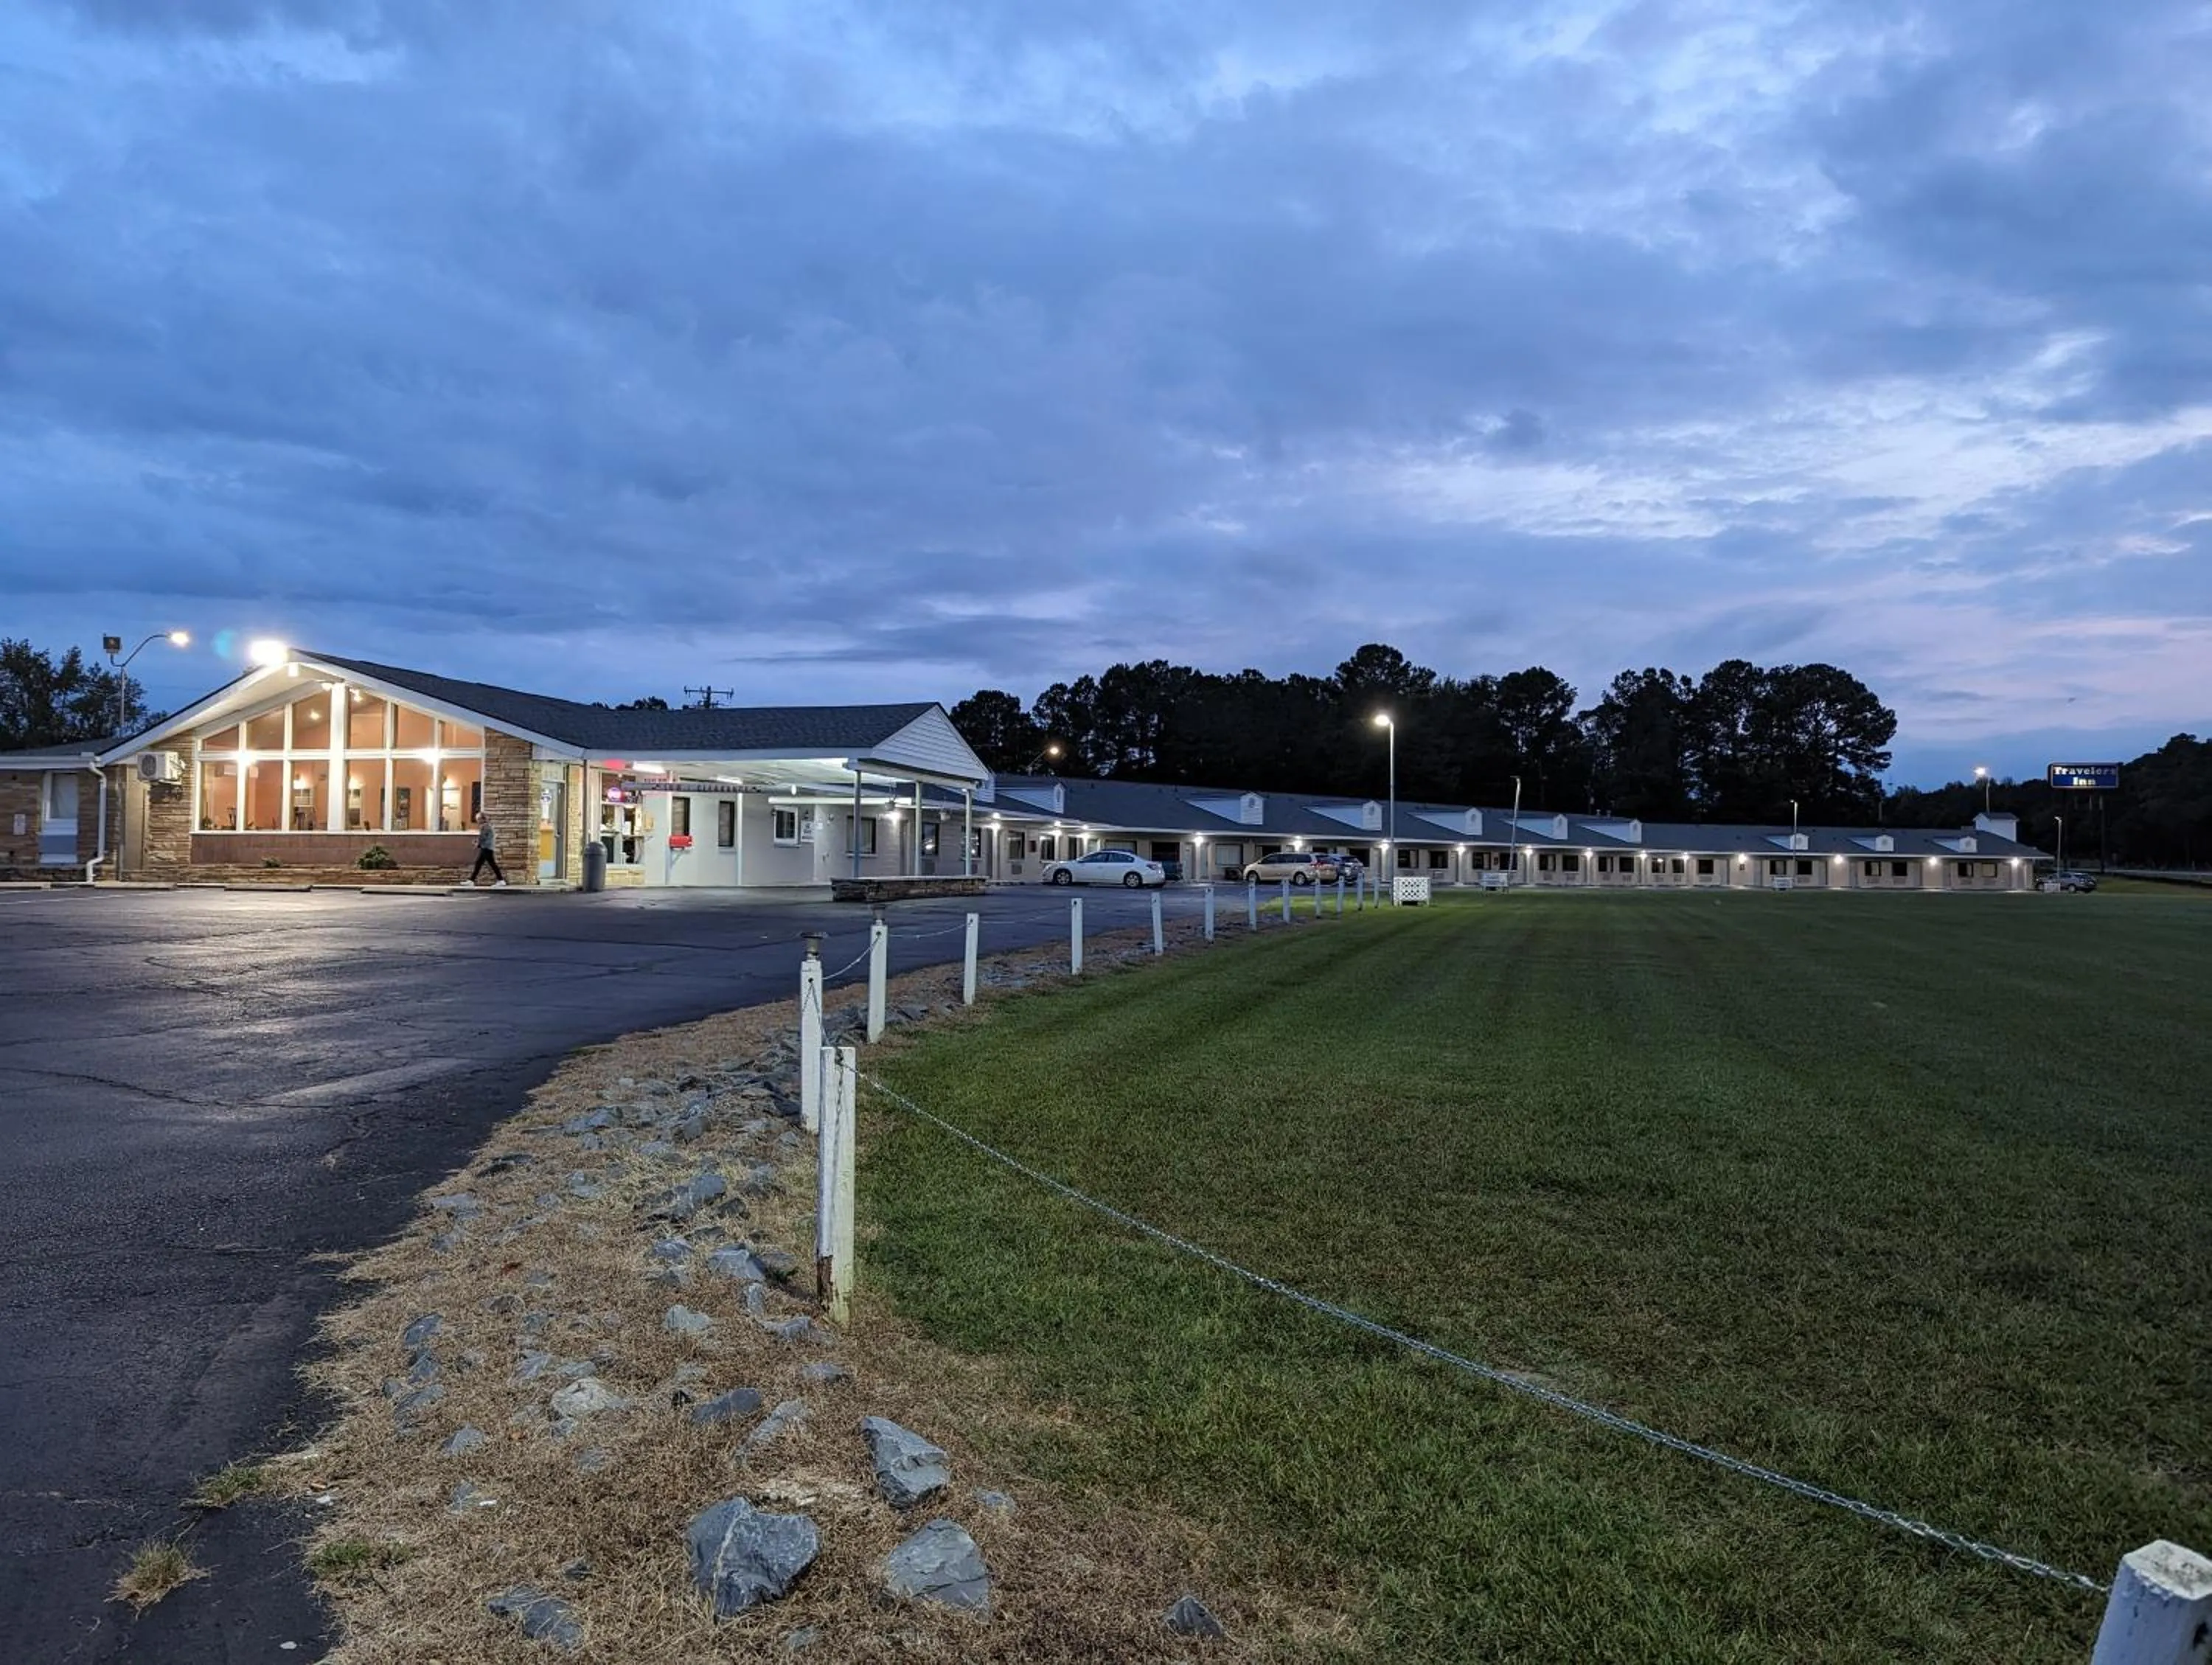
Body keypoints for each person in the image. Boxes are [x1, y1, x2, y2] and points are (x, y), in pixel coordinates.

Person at [470, 810, 508, 887]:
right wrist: (478, 843)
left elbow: (483, 838)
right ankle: (471, 881)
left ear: (482, 819)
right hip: (487, 847)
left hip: (487, 848)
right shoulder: (487, 826)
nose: (477, 821)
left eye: (478, 819)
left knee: (492, 864)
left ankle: (501, 880)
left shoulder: (485, 826)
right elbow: (484, 837)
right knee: (479, 863)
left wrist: (477, 844)